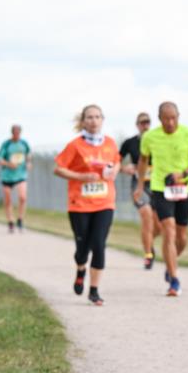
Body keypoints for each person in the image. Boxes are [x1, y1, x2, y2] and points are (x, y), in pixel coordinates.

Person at [136, 102, 188, 296]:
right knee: (169, 230)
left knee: (182, 237)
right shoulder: (150, 137)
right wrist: (140, 185)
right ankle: (174, 280)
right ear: (159, 119)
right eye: (166, 118)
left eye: (174, 117)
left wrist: (184, 172)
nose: (170, 122)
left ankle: (170, 263)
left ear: (178, 116)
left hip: (184, 188)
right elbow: (142, 161)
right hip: (160, 187)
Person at [54, 105, 120, 306]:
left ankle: (94, 290)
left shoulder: (109, 143)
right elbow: (58, 169)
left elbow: (116, 162)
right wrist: (82, 176)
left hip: (104, 203)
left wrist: (114, 171)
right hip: (80, 205)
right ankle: (80, 269)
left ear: (102, 120)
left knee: (99, 245)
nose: (93, 121)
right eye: (89, 117)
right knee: (82, 249)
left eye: (97, 117)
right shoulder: (75, 145)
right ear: (83, 121)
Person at [121, 112, 160, 268]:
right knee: (146, 214)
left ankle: (148, 239)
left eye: (148, 122)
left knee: (160, 225)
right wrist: (124, 168)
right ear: (137, 125)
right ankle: (148, 254)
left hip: (157, 186)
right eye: (142, 123)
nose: (145, 125)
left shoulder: (158, 140)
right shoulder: (130, 143)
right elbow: (115, 162)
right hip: (139, 185)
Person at [0, 125, 32, 233]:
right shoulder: (6, 144)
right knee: (8, 200)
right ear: (12, 133)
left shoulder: (24, 143)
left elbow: (28, 154)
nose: (16, 135)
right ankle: (10, 221)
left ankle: (20, 220)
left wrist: (28, 162)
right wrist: (8, 163)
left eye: (18, 133)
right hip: (7, 176)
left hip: (21, 175)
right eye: (14, 133)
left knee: (22, 197)